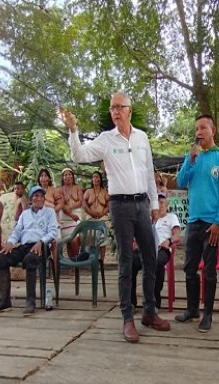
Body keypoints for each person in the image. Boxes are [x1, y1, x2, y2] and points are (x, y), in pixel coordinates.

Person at [61, 92, 170, 343]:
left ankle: (150, 313)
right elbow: (80, 155)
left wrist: (154, 204)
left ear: (130, 110)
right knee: (125, 262)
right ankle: (128, 318)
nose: (115, 111)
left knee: (151, 259)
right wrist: (74, 130)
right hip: (120, 206)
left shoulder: (142, 138)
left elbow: (148, 171)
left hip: (143, 204)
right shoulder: (105, 140)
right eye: (112, 108)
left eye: (120, 107)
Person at [174, 114, 219, 332]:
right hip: (193, 221)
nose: (199, 132)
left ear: (212, 131)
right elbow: (181, 182)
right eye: (196, 129)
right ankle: (192, 309)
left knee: (209, 270)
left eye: (203, 128)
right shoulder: (193, 156)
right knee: (190, 267)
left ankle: (207, 314)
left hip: (212, 225)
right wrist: (190, 160)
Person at [0, 186, 58, 315]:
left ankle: (30, 301)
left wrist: (41, 242)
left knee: (31, 259)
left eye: (41, 196)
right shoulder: (25, 214)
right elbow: (17, 231)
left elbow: (53, 232)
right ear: (30, 199)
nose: (39, 199)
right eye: (35, 196)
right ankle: (4, 301)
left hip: (41, 247)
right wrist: (10, 242)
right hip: (24, 246)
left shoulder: (49, 212)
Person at [130, 193, 181, 309]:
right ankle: (131, 302)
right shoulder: (148, 219)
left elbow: (177, 236)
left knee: (156, 262)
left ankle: (154, 301)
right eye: (157, 202)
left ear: (167, 206)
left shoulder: (171, 217)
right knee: (130, 262)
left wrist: (169, 240)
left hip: (162, 249)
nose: (159, 205)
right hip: (146, 249)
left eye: (162, 202)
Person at [83, 171, 110, 260]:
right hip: (90, 218)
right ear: (92, 179)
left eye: (97, 177)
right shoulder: (88, 191)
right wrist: (91, 212)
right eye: (94, 177)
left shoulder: (104, 191)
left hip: (102, 218)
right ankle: (91, 260)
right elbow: (84, 203)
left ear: (100, 179)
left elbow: (109, 204)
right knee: (90, 241)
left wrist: (103, 212)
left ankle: (101, 261)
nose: (95, 179)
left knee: (103, 241)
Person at [58, 167, 84, 259]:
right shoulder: (60, 190)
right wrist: (71, 214)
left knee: (75, 239)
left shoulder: (78, 187)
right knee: (71, 241)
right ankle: (73, 263)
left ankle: (75, 261)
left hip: (77, 216)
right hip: (66, 217)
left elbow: (81, 201)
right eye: (65, 175)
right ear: (62, 178)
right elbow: (62, 205)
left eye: (69, 174)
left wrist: (71, 207)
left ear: (73, 176)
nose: (67, 176)